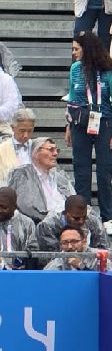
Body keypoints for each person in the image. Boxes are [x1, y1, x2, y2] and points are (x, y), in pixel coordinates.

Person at [66, 31, 112, 221]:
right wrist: (68, 125)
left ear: (87, 49)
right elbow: (72, 98)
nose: (74, 53)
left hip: (105, 123)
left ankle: (107, 217)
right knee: (81, 171)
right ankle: (81, 216)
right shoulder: (75, 68)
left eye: (76, 49)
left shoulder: (108, 71)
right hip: (80, 123)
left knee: (104, 172)